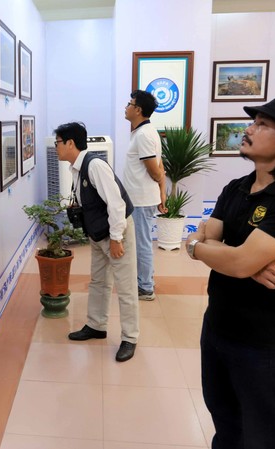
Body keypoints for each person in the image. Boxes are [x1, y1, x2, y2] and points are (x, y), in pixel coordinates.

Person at [184, 94, 275, 448]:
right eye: (254, 121)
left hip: (260, 341)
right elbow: (208, 236)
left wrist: (235, 259)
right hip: (216, 326)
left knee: (261, 435)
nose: (249, 129)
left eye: (262, 125)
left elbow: (233, 258)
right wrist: (234, 257)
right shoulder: (237, 187)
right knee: (225, 423)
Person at [56, 122, 139, 362]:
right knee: (99, 282)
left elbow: (116, 205)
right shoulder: (77, 169)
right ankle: (96, 325)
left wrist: (116, 239)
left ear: (70, 143)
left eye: (58, 143)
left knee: (125, 287)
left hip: (116, 232)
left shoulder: (94, 166)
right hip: (97, 233)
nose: (56, 148)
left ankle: (130, 338)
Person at [122, 90, 167, 301]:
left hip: (141, 200)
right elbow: (160, 166)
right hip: (138, 199)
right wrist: (162, 193)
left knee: (142, 243)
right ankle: (145, 280)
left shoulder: (144, 134)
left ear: (138, 110)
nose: (126, 107)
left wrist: (161, 190)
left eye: (129, 104)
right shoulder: (143, 132)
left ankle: (146, 287)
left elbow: (156, 170)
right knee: (141, 242)